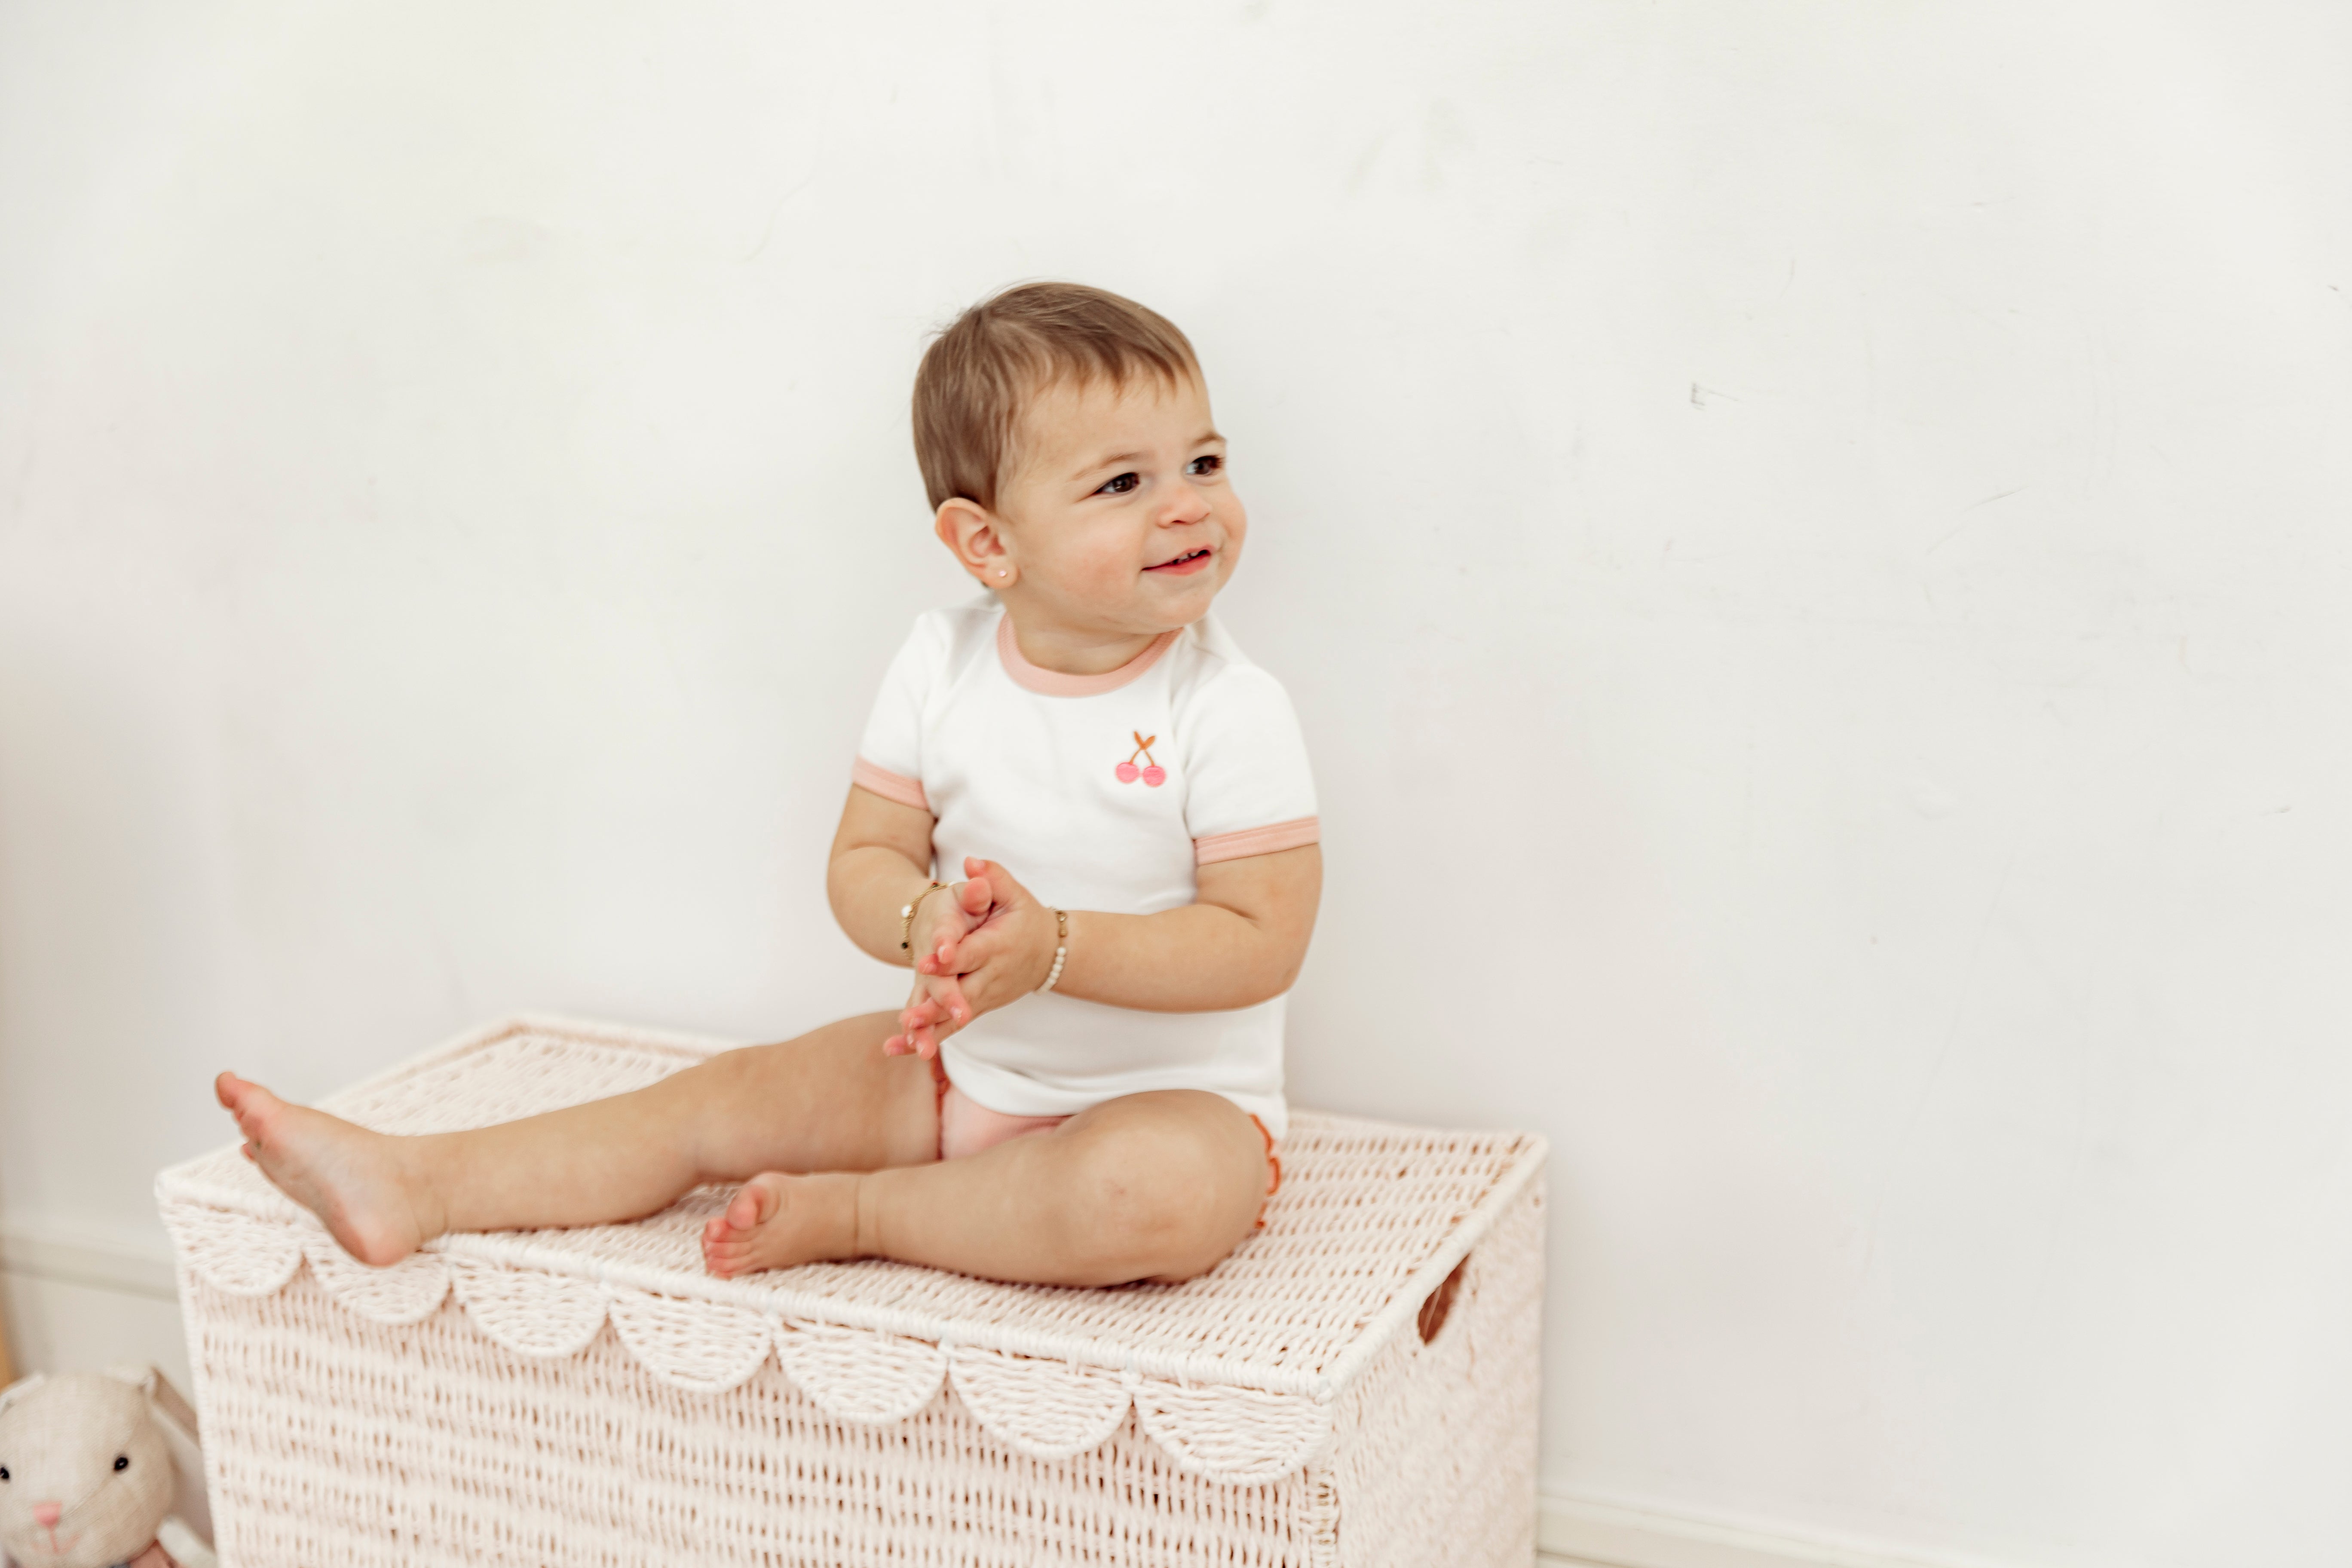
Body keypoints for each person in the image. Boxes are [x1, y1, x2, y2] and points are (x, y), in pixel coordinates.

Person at [214, 282, 1321, 1288]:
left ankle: (863, 1214)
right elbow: (862, 864)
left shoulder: (1225, 707)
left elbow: (1261, 940)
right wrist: (925, 920)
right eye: (1125, 482)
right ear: (985, 544)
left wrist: (1057, 948)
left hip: (1178, 1110)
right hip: (957, 1075)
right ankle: (419, 1181)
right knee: (717, 1102)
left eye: (1205, 463)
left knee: (1144, 1198)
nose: (1187, 506)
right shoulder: (941, 664)